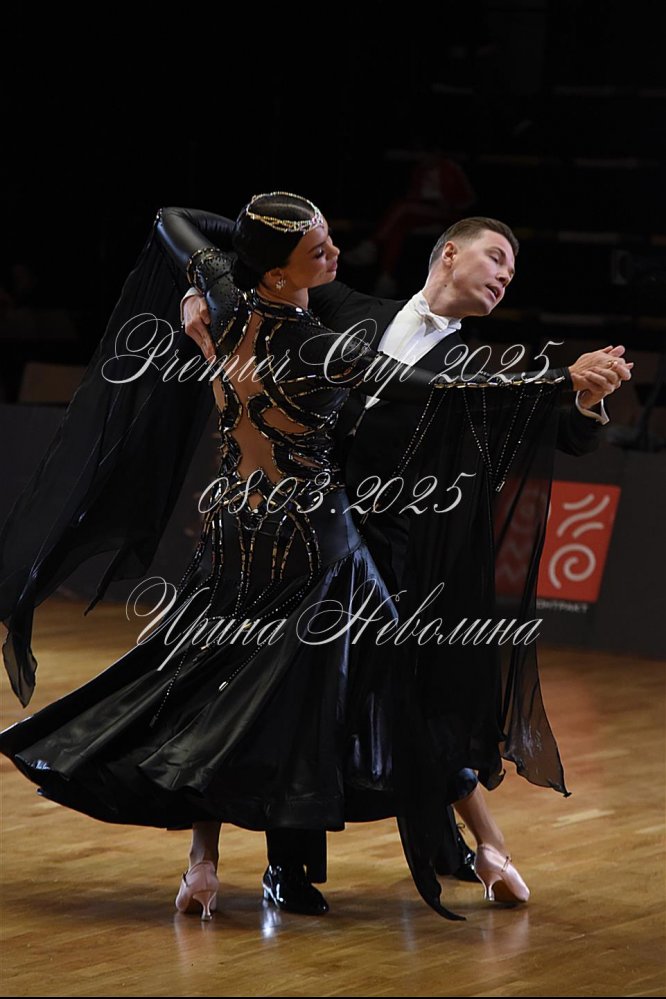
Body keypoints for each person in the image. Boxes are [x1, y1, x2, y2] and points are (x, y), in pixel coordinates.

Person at [0, 194, 574, 922]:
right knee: (393, 687)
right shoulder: (320, 344)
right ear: (279, 273)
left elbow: (173, 221)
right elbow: (434, 385)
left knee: (209, 688)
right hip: (317, 545)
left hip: (236, 535)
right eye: (318, 249)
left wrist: (200, 278)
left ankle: (202, 866)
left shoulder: (229, 308)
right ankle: (490, 847)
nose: (335, 253)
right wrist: (558, 379)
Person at [181, 211, 633, 907]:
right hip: (296, 531)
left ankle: (449, 842)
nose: (507, 276)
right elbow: (242, 249)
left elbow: (559, 431)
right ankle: (286, 868)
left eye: (513, 271)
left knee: (407, 697)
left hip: (393, 554)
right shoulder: (345, 304)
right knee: (287, 695)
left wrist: (585, 400)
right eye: (497, 258)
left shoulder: (477, 369)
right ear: (448, 254)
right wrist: (199, 289)